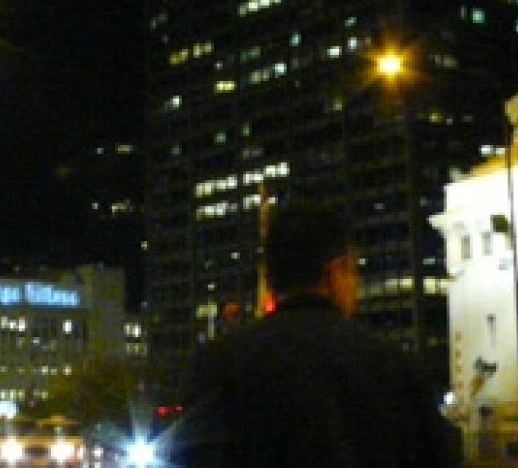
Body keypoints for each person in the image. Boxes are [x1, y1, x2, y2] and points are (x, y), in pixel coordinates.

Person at [175, 200, 462, 467]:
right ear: (335, 273)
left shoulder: (216, 366)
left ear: (272, 278)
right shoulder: (396, 368)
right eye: (354, 272)